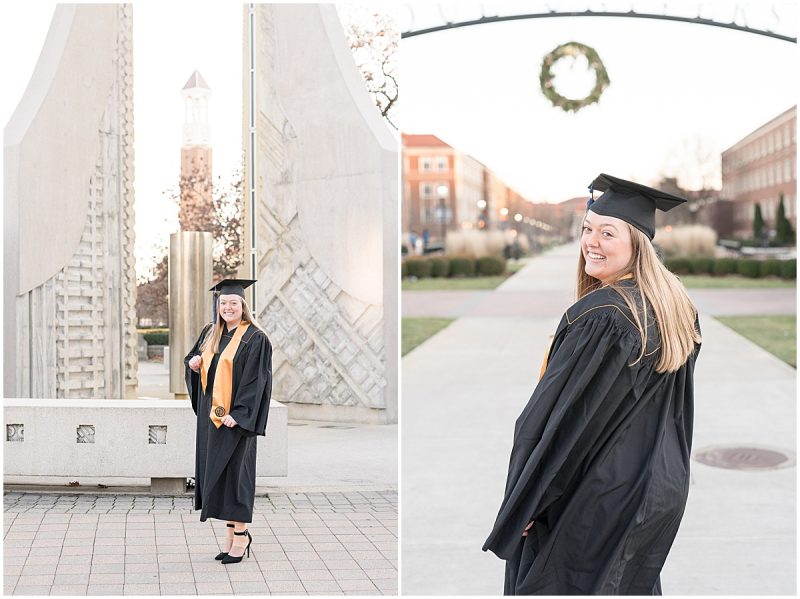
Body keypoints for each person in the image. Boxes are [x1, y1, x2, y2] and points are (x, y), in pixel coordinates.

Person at [483, 174, 702, 595]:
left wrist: (528, 499)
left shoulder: (603, 318)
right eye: (587, 229)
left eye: (607, 232)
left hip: (595, 498)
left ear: (637, 243)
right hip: (654, 489)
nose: (591, 242)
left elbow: (561, 423)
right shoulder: (673, 307)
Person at [184, 278, 273, 564]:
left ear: (243, 306)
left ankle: (242, 536)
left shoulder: (255, 338)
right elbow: (195, 359)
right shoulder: (210, 333)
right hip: (212, 419)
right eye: (223, 303)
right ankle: (230, 537)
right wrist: (194, 365)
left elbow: (256, 382)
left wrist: (240, 414)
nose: (228, 307)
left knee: (237, 476)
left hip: (235, 421)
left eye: (233, 303)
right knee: (221, 478)